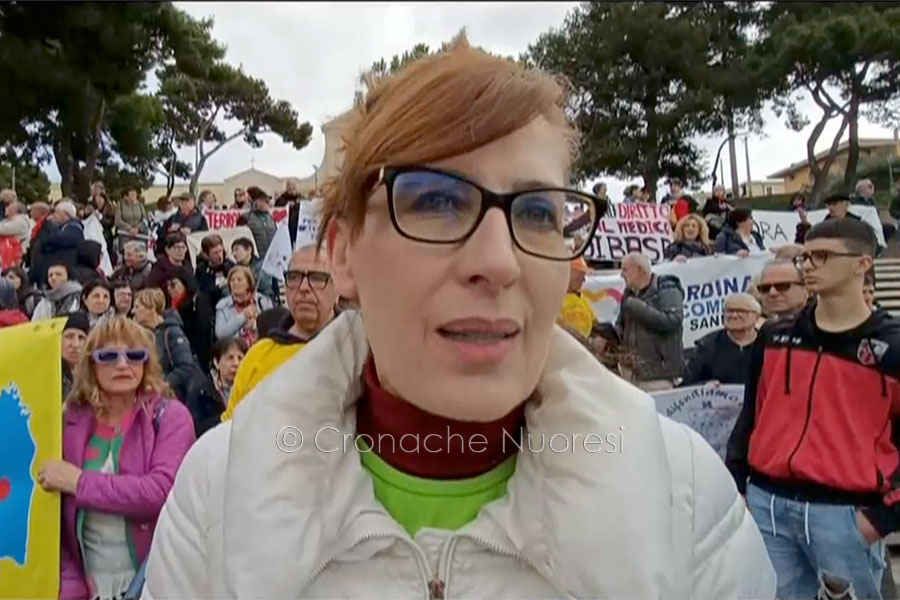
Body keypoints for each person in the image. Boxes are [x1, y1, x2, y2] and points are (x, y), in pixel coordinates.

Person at [146, 36, 773, 598]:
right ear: (341, 254)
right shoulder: (219, 493)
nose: (499, 262)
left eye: (536, 213)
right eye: (436, 202)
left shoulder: (683, 495)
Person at [727, 218, 900, 600]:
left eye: (821, 256)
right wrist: (738, 484)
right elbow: (752, 414)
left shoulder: (892, 347)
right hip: (768, 504)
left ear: (862, 264)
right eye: (805, 256)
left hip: (844, 515)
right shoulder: (774, 336)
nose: (808, 265)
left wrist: (880, 518)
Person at [37, 316, 194, 600]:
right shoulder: (68, 421)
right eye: (108, 355)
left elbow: (161, 492)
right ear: (91, 364)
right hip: (86, 588)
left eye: (135, 355)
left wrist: (79, 482)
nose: (123, 364)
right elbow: (55, 523)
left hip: (157, 584)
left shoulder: (170, 417)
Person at [220, 244, 338, 421]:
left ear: (339, 287)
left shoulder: (357, 352)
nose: (304, 287)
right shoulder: (258, 356)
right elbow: (229, 429)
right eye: (295, 277)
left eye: (317, 278)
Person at [616, 252, 685, 390]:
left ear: (640, 270)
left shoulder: (667, 289)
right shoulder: (629, 293)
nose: (621, 275)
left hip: (658, 376)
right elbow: (621, 327)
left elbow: (672, 320)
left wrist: (638, 308)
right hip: (631, 374)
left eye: (625, 269)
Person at [133, 288, 203, 405]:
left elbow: (185, 366)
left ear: (151, 308)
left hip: (172, 396)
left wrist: (161, 384)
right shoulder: (140, 334)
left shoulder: (172, 332)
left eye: (137, 307)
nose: (133, 311)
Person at [681, 294, 760, 386]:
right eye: (729, 311)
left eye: (741, 311)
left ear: (756, 317)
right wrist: (704, 385)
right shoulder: (707, 346)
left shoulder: (768, 343)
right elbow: (686, 385)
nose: (734, 315)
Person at [214, 265, 274, 345]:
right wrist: (243, 317)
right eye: (232, 280)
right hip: (235, 349)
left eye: (239, 280)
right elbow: (220, 333)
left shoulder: (262, 301)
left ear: (248, 283)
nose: (235, 282)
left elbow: (272, 327)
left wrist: (255, 325)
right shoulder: (222, 305)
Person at [40, 201, 85, 278]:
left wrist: (49, 229)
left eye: (57, 213)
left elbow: (58, 240)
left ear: (66, 215)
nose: (54, 216)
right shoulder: (61, 228)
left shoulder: (74, 228)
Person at [557, 256, 596, 339]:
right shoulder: (555, 300)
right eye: (581, 274)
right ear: (569, 272)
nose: (583, 279)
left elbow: (594, 323)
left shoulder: (581, 298)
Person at [195, 233, 234, 309]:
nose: (219, 255)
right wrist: (221, 285)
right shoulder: (202, 269)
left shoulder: (230, 265)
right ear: (206, 255)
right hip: (211, 302)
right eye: (215, 253)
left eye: (220, 251)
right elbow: (205, 289)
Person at [210, 336, 248, 413]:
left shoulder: (250, 389)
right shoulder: (206, 391)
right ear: (216, 362)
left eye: (240, 358)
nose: (236, 364)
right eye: (230, 358)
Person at [231, 236, 276, 301]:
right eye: (233, 251)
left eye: (237, 250)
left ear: (249, 250)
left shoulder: (262, 265)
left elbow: (265, 285)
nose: (234, 254)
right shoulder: (235, 269)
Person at [60, 311, 90, 399]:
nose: (75, 344)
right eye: (69, 336)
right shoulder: (49, 375)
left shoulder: (93, 374)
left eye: (81, 338)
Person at [244, 186, 277, 258]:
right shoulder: (246, 218)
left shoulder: (271, 218)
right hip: (256, 258)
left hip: (272, 257)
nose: (267, 203)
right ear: (255, 202)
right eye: (264, 201)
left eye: (267, 201)